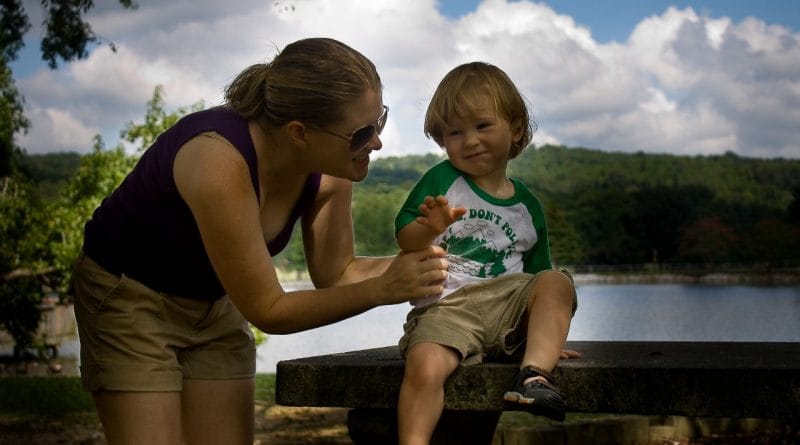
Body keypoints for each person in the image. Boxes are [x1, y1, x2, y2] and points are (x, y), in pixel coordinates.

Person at [71, 37, 449, 445]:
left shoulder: (332, 170)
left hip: (216, 303)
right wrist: (383, 289)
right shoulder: (218, 161)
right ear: (299, 132)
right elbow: (269, 310)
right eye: (360, 133)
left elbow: (338, 272)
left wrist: (430, 264)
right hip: (129, 297)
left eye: (379, 122)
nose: (376, 142)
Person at [394, 62, 579, 445]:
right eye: (455, 132)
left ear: (514, 129)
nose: (470, 140)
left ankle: (534, 374)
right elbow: (405, 238)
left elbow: (538, 276)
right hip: (449, 307)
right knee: (425, 364)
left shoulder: (526, 204)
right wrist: (430, 226)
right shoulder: (443, 180)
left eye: (482, 126)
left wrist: (547, 335)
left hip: (509, 308)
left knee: (558, 282)